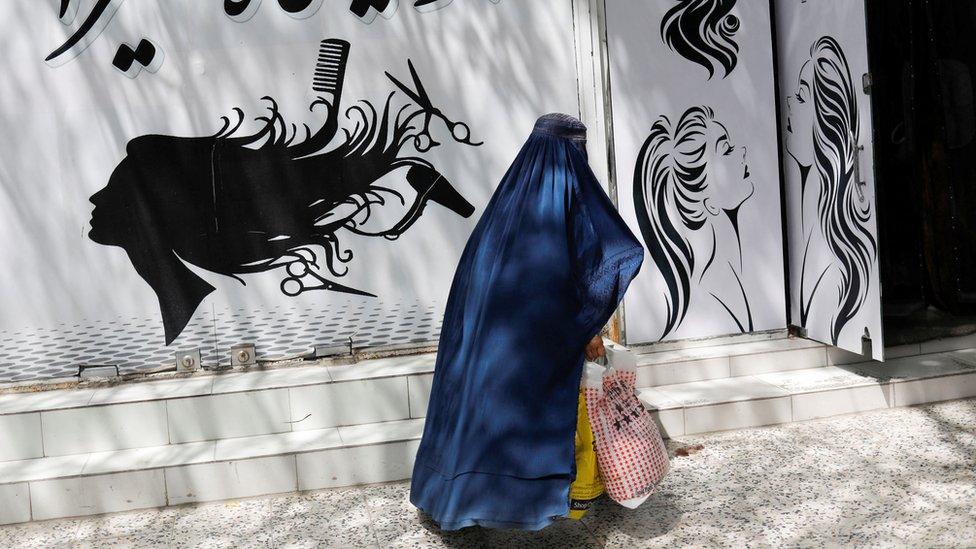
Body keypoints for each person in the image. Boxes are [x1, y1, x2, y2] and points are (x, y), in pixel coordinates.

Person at [410, 113, 645, 530]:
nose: (578, 158)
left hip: (484, 341)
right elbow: (576, 269)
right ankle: (520, 502)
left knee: (479, 418)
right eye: (575, 148)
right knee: (520, 422)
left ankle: (452, 499)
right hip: (524, 342)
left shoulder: (509, 203)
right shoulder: (552, 212)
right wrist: (587, 327)